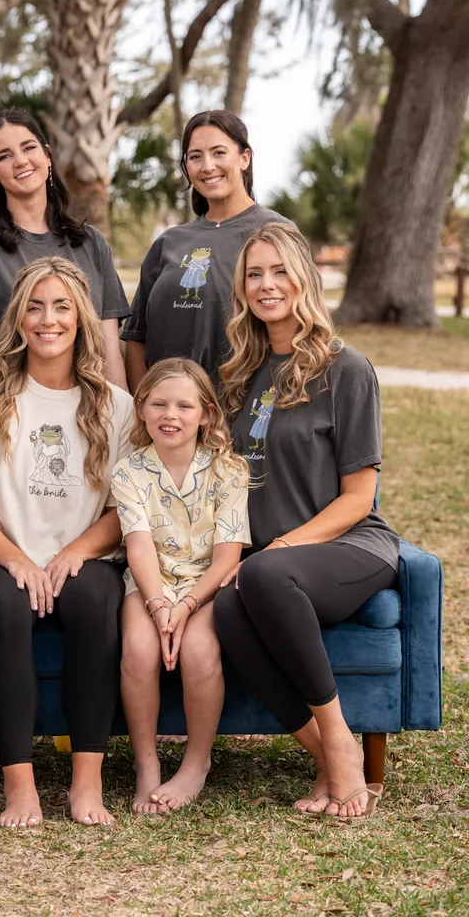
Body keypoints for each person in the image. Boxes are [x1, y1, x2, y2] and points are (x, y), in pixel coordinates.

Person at [0, 257, 133, 829]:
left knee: (97, 603)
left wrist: (76, 552)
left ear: (82, 319)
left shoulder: (115, 406)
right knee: (2, 605)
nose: (48, 320)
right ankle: (19, 784)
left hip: (86, 554)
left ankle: (86, 782)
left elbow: (127, 510)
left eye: (62, 307)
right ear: (18, 319)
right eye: (35, 307)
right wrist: (16, 559)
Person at [214, 223, 400, 820]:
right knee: (226, 608)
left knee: (264, 577)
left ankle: (342, 744)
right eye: (254, 274)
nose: (267, 285)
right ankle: (322, 758)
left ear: (304, 278)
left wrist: (279, 549)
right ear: (242, 288)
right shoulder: (239, 375)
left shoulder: (347, 369)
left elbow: (358, 498)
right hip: (275, 563)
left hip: (350, 547)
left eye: (278, 271)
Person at [114, 358, 250, 814]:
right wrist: (158, 607)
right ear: (142, 410)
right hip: (151, 582)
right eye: (159, 404)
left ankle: (196, 762)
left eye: (184, 406)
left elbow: (228, 557)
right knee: (137, 648)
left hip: (207, 585)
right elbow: (138, 549)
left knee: (197, 651)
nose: (171, 415)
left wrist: (187, 605)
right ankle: (146, 764)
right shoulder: (129, 472)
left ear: (206, 413)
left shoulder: (229, 471)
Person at [0, 108, 130, 386]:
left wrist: (120, 419)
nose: (20, 161)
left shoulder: (91, 242)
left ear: (47, 156)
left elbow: (110, 350)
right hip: (19, 405)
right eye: (4, 156)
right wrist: (2, 420)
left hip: (91, 406)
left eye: (28, 148)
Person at [122, 110, 294, 393]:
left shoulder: (277, 232)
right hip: (171, 424)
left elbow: (301, 328)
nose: (207, 166)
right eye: (195, 156)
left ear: (244, 158)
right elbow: (136, 337)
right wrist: (147, 408)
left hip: (244, 417)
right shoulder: (168, 244)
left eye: (219, 153)